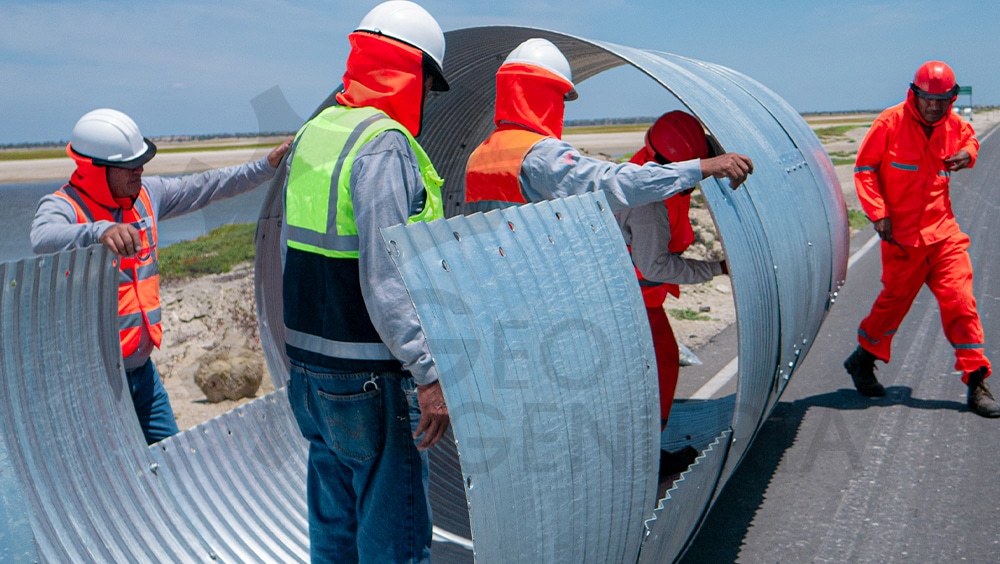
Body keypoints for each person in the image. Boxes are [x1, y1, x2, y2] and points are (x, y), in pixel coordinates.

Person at [279, 2, 450, 561]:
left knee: (335, 535)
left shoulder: (316, 132)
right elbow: (386, 277)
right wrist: (428, 373)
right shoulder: (382, 143)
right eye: (427, 82)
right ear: (410, 73)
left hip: (308, 373)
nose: (426, 96)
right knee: (394, 541)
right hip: (369, 379)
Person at [30, 108, 291, 444]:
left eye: (141, 161)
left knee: (171, 455)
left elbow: (207, 186)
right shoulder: (65, 206)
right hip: (97, 382)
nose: (140, 169)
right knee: (118, 472)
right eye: (129, 166)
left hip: (143, 372)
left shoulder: (146, 196)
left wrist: (265, 167)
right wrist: (99, 231)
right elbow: (42, 237)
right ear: (96, 170)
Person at [844, 60, 999, 418]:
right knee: (892, 306)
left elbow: (970, 139)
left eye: (941, 101)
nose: (933, 107)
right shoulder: (890, 123)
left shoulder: (954, 125)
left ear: (952, 99)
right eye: (927, 99)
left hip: (943, 235)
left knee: (961, 303)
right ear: (914, 93)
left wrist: (969, 154)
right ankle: (862, 358)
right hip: (901, 239)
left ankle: (977, 382)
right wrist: (878, 213)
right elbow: (864, 170)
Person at [464, 38, 754, 216]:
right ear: (547, 95)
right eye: (561, 99)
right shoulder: (539, 154)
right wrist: (701, 167)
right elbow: (614, 183)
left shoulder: (481, 154)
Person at [614, 111, 729, 475]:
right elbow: (656, 266)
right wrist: (716, 268)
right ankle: (647, 458)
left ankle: (643, 450)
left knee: (652, 367)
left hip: (637, 297)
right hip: (633, 302)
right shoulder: (647, 201)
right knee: (660, 363)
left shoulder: (646, 168)